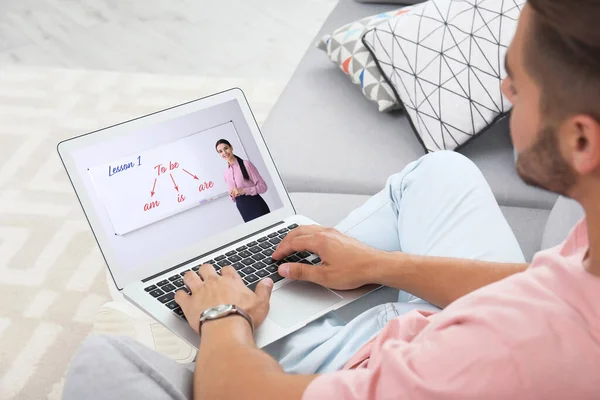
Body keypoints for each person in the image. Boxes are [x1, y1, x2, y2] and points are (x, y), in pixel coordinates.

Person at [63, 1, 600, 398]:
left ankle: (261, 308)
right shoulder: (587, 247)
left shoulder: (496, 355)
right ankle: (313, 280)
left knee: (102, 363)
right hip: (433, 330)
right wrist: (381, 264)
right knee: (441, 172)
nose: (505, 96)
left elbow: (240, 395)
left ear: (581, 140)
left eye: (518, 85)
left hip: (387, 362)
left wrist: (224, 316)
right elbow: (537, 283)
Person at [215, 139, 270, 222]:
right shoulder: (226, 173)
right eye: (220, 151)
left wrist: (244, 190)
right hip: (243, 210)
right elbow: (233, 199)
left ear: (231, 147)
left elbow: (263, 187)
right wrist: (231, 195)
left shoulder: (246, 164)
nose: (224, 152)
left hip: (257, 206)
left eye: (226, 148)